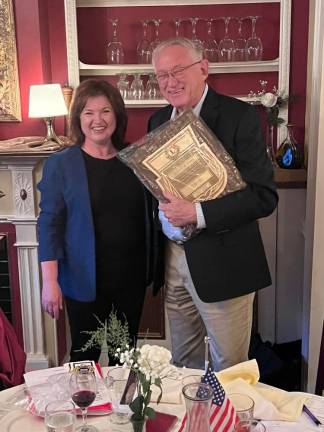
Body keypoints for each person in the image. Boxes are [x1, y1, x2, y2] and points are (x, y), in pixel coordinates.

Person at [148, 38, 278, 371]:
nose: (170, 82)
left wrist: (196, 214)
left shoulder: (240, 116)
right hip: (174, 260)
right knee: (183, 366)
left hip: (226, 264)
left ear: (204, 68)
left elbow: (263, 196)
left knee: (230, 369)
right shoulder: (158, 120)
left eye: (178, 70)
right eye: (162, 75)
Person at [38, 79, 155, 362]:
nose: (97, 120)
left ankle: (121, 407)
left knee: (123, 356)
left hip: (130, 279)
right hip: (82, 279)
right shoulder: (62, 164)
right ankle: (83, 407)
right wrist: (49, 281)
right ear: (78, 118)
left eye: (105, 111)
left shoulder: (136, 160)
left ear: (117, 115)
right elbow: (49, 224)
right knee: (83, 353)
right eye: (88, 112)